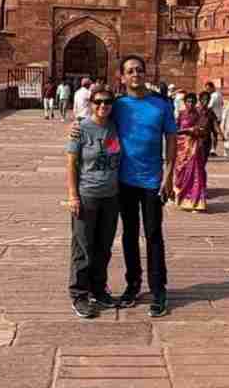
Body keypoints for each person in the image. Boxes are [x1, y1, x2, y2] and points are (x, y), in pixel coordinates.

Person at [71, 55, 177, 316]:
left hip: (152, 180)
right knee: (129, 235)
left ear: (146, 73)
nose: (136, 75)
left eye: (140, 70)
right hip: (123, 181)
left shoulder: (161, 105)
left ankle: (158, 290)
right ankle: (133, 285)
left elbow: (172, 139)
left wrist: (169, 175)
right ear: (122, 77)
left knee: (153, 235)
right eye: (130, 71)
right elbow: (97, 118)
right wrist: (77, 127)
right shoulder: (118, 105)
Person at [64, 85, 122, 319]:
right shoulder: (82, 128)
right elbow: (71, 163)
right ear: (91, 104)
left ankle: (98, 288)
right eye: (97, 102)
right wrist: (72, 195)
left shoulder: (116, 126)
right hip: (87, 195)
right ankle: (79, 294)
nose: (102, 106)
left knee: (103, 246)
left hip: (111, 196)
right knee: (83, 246)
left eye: (107, 102)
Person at [173, 92, 214, 212]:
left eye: (192, 102)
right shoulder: (181, 114)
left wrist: (196, 131)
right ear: (184, 103)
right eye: (188, 101)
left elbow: (203, 131)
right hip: (182, 148)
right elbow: (176, 130)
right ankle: (182, 198)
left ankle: (196, 202)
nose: (190, 104)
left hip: (194, 148)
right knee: (181, 173)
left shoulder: (198, 115)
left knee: (195, 174)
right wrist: (186, 130)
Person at [204, 82, 224, 155]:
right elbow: (222, 103)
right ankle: (213, 149)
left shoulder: (213, 95)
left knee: (209, 133)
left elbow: (210, 106)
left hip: (212, 116)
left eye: (208, 89)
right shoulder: (219, 94)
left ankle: (210, 149)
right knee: (215, 133)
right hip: (218, 115)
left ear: (212, 87)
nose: (208, 90)